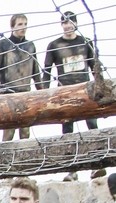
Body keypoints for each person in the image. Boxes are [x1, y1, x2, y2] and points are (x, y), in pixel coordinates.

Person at [43, 11, 104, 181]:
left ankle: (97, 166)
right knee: (68, 131)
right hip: (64, 93)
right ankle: (72, 170)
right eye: (65, 23)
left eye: (71, 22)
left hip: (86, 91)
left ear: (76, 24)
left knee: (92, 127)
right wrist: (43, 93)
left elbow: (95, 67)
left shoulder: (85, 42)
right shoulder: (54, 45)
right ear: (61, 25)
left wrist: (101, 89)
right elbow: (46, 71)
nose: (68, 26)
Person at [0, 13, 43, 141]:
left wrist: (41, 91)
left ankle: (25, 159)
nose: (23, 27)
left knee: (25, 131)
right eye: (20, 24)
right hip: (8, 93)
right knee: (9, 131)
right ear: (12, 26)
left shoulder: (30, 46)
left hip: (26, 93)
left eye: (25, 24)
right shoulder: (3, 44)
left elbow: (36, 70)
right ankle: (5, 158)